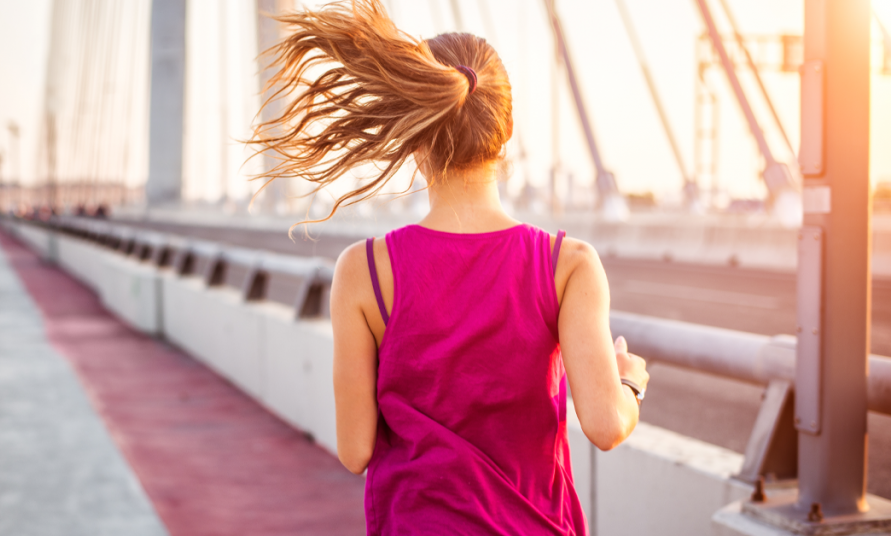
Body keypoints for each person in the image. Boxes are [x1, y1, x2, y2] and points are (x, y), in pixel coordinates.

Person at [251, 1, 649, 533]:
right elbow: (604, 425)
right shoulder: (568, 266)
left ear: (414, 136)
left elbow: (354, 449)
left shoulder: (363, 271)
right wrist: (628, 384)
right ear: (507, 131)